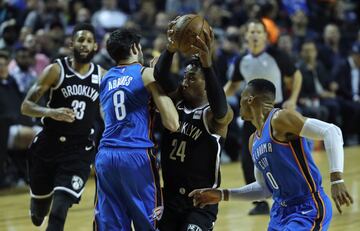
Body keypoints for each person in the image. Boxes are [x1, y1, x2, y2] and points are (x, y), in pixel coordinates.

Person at [190, 79, 353, 230]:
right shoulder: (253, 140)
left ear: (250, 99)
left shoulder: (280, 118)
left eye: (241, 98)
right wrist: (222, 194)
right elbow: (265, 189)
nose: (238, 104)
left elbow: (332, 131)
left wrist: (336, 178)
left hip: (307, 208)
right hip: (279, 213)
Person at [21, 23, 105, 231]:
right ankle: (38, 205)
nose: (84, 44)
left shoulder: (102, 75)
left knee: (59, 210)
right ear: (71, 44)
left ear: (95, 46)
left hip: (78, 152)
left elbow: (106, 112)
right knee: (39, 215)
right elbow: (26, 106)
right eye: (80, 40)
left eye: (89, 41)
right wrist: (51, 112)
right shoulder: (55, 70)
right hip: (48, 147)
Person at [94, 28, 179, 231]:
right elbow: (172, 123)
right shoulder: (144, 73)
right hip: (136, 155)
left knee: (110, 224)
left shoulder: (106, 78)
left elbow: (105, 116)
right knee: (149, 222)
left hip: (106, 156)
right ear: (135, 47)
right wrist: (157, 82)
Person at [153, 22, 233, 231]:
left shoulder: (213, 115)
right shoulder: (176, 103)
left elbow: (221, 108)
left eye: (191, 78)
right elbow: (161, 75)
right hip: (169, 198)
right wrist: (171, 48)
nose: (185, 82)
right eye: (184, 77)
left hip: (200, 202)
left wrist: (207, 65)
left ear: (207, 83)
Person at [224, 19, 303, 215]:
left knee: (284, 156)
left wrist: (292, 98)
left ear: (265, 36)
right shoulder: (242, 59)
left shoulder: (277, 55)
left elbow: (297, 75)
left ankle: (296, 195)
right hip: (252, 115)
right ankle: (259, 202)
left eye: (259, 31)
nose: (255, 35)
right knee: (247, 157)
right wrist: (213, 101)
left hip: (276, 113)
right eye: (251, 31)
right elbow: (233, 85)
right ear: (246, 36)